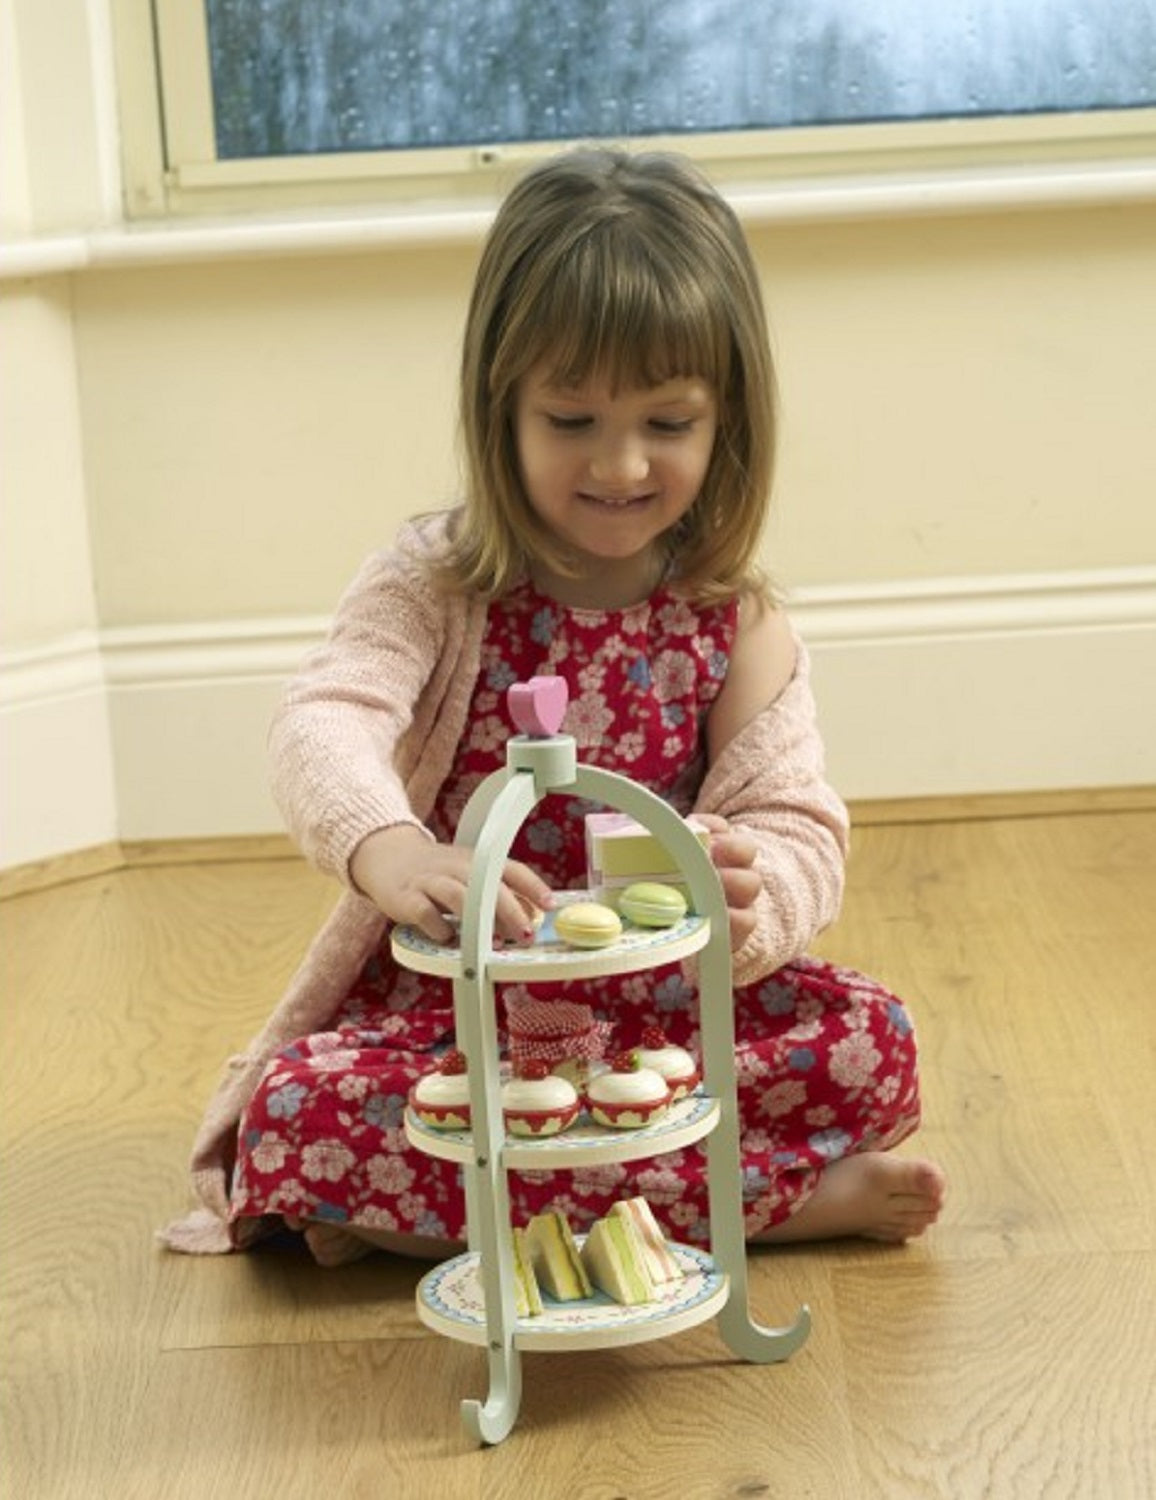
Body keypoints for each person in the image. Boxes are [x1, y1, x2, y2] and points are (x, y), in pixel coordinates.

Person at [161, 147, 945, 1267]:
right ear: (501, 409)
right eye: (571, 420)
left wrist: (750, 896)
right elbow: (322, 719)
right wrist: (385, 847)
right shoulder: (433, 587)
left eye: (667, 425)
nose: (621, 465)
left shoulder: (736, 619)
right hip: (463, 1017)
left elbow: (796, 817)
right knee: (293, 1113)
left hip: (663, 1020)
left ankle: (459, 1223)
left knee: (874, 1040)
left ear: (727, 420)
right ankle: (754, 1207)